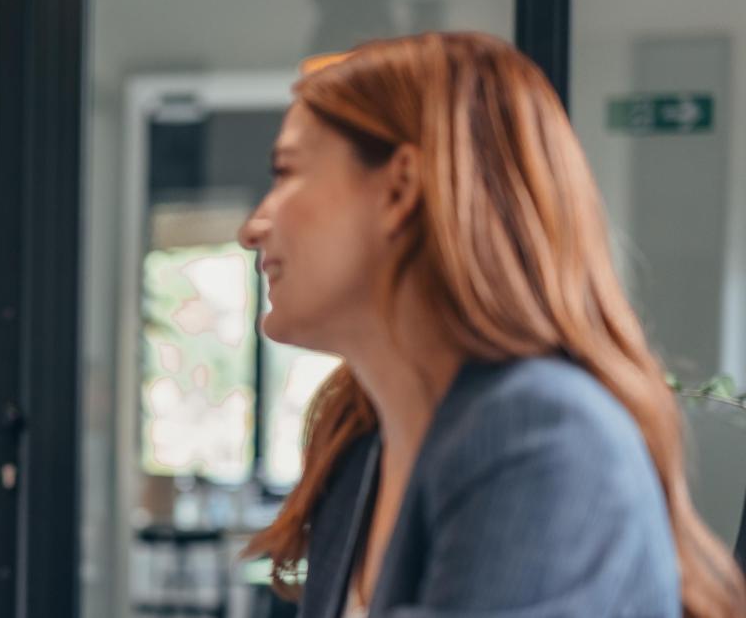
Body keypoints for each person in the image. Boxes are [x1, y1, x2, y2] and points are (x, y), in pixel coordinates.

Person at [238, 32, 746, 618]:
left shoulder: (541, 433)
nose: (254, 226)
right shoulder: (355, 446)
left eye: (287, 171)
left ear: (400, 187)